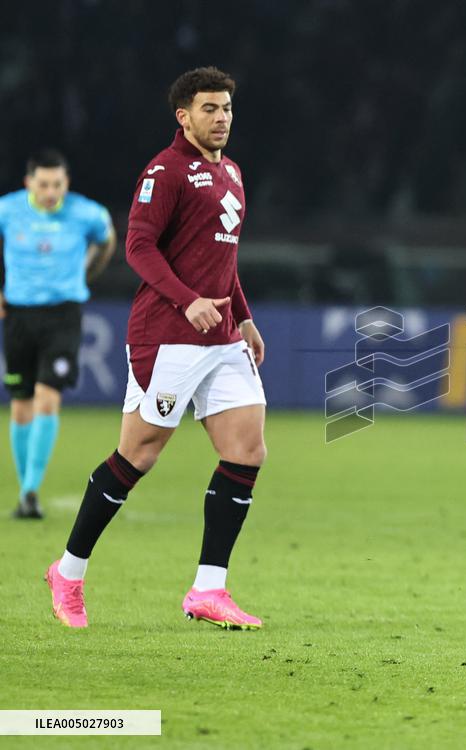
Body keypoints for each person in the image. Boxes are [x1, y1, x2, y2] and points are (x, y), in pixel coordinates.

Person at [44, 66, 267, 629]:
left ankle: (208, 590)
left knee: (246, 449)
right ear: (183, 116)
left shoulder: (233, 172)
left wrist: (243, 318)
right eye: (209, 110)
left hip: (220, 337)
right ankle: (68, 572)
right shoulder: (164, 171)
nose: (221, 119)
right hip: (166, 335)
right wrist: (188, 299)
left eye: (227, 109)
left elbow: (224, 259)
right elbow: (139, 248)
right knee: (138, 455)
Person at [1, 150, 116, 519]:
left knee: (48, 397)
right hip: (18, 315)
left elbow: (107, 238)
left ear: (66, 183)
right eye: (44, 184)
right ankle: (26, 490)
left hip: (64, 315)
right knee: (20, 405)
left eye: (58, 184)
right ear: (29, 184)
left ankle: (31, 489)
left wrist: (87, 273)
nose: (52, 192)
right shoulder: (8, 210)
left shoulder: (86, 213)